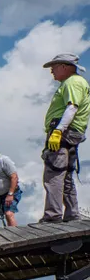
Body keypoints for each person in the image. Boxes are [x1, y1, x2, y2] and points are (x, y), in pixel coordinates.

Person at [40, 53, 88, 222]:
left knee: (54, 173)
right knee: (66, 175)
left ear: (64, 66)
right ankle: (72, 215)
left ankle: (52, 216)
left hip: (63, 133)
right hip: (72, 134)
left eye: (54, 67)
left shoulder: (72, 83)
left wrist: (58, 131)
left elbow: (72, 107)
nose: (51, 71)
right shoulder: (77, 82)